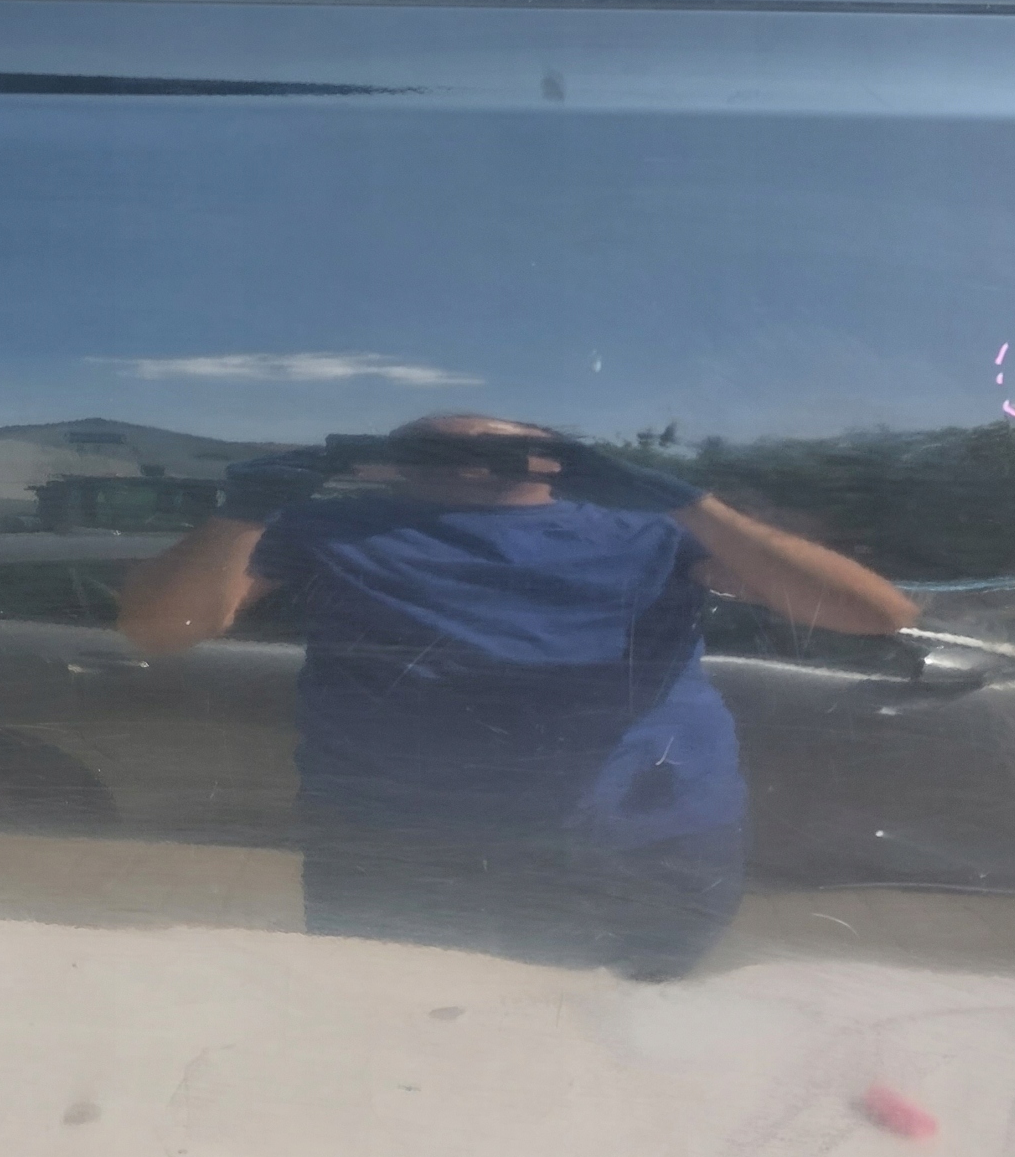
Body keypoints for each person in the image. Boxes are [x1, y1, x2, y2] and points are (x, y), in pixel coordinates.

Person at [116, 414, 917, 979]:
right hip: (401, 842)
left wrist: (688, 502)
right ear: (391, 459)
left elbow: (872, 613)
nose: (471, 463)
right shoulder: (329, 528)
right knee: (397, 1034)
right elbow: (161, 629)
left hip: (642, 837)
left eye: (504, 449)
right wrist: (246, 510)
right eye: (434, 448)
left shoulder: (650, 531)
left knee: (634, 1040)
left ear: (555, 459)